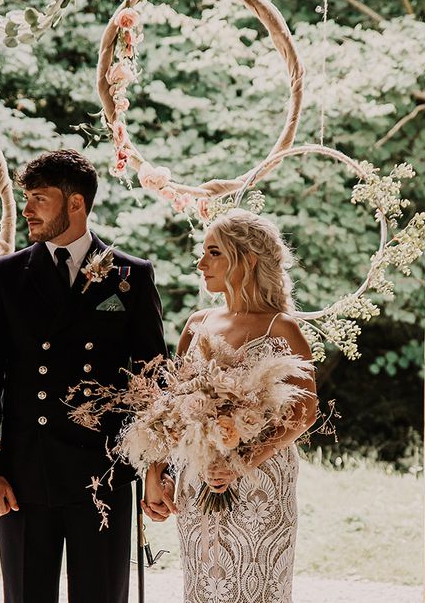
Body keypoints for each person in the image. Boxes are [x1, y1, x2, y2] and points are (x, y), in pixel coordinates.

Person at [0, 149, 166, 603]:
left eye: (39, 199)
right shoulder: (5, 275)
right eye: (26, 198)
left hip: (104, 475)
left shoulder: (130, 276)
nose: (28, 210)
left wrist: (157, 467)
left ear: (76, 204)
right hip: (22, 476)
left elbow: (155, 380)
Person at [142, 209, 318, 603]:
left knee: (258, 590)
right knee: (204, 586)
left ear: (248, 260)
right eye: (203, 253)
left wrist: (244, 460)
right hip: (196, 476)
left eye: (214, 252)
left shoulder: (282, 327)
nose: (201, 263)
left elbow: (305, 412)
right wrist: (157, 472)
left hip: (261, 484)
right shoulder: (197, 322)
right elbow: (171, 407)